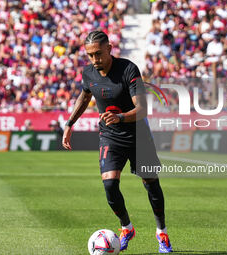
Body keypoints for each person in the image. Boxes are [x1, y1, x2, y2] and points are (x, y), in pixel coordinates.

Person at [62, 31, 173, 253]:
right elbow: (84, 97)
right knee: (110, 185)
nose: (95, 60)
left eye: (98, 54)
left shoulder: (128, 69)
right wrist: (69, 123)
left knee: (151, 183)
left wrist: (121, 116)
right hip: (110, 135)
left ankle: (161, 232)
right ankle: (126, 228)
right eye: (90, 55)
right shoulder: (89, 73)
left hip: (138, 133)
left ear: (109, 49)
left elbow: (142, 109)